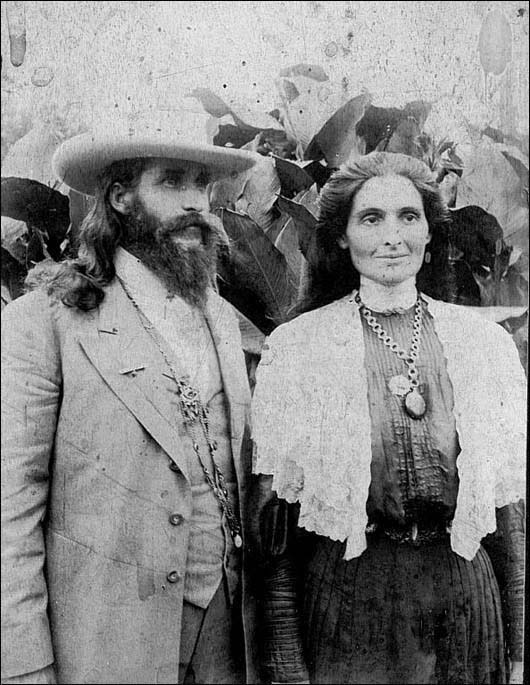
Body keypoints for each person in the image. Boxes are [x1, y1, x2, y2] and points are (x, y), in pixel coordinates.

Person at [1, 119, 264, 684]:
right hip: (106, 643)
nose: (196, 202)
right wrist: (25, 668)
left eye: (202, 184)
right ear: (120, 197)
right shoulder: (43, 325)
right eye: (172, 182)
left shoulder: (219, 317)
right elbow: (10, 512)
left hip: (230, 637)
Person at [250, 152, 526, 684]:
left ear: (429, 234)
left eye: (408, 217)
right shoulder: (300, 348)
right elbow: (276, 536)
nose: (392, 236)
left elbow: (508, 518)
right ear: (341, 238)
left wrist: (518, 656)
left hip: (465, 609)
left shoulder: (484, 346)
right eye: (371, 219)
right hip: (352, 607)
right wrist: (286, 666)